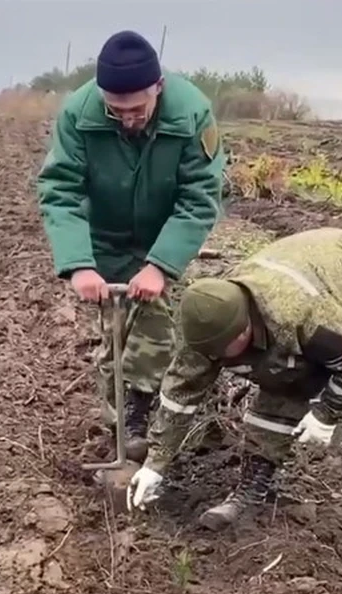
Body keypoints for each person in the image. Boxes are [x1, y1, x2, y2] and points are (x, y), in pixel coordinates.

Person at [126, 227, 342, 531]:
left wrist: (326, 412)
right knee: (281, 379)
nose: (218, 361)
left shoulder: (302, 316)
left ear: (244, 328)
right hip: (315, 272)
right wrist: (156, 463)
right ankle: (252, 492)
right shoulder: (206, 325)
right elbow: (181, 392)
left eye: (223, 353)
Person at [36, 30, 226, 452]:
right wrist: (79, 264)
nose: (126, 119)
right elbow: (60, 191)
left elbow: (199, 198)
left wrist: (160, 265)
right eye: (115, 109)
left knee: (157, 326)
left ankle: (145, 419)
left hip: (164, 236)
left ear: (158, 87)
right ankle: (122, 428)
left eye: (137, 109)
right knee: (114, 337)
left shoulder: (192, 113)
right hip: (104, 238)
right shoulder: (78, 114)